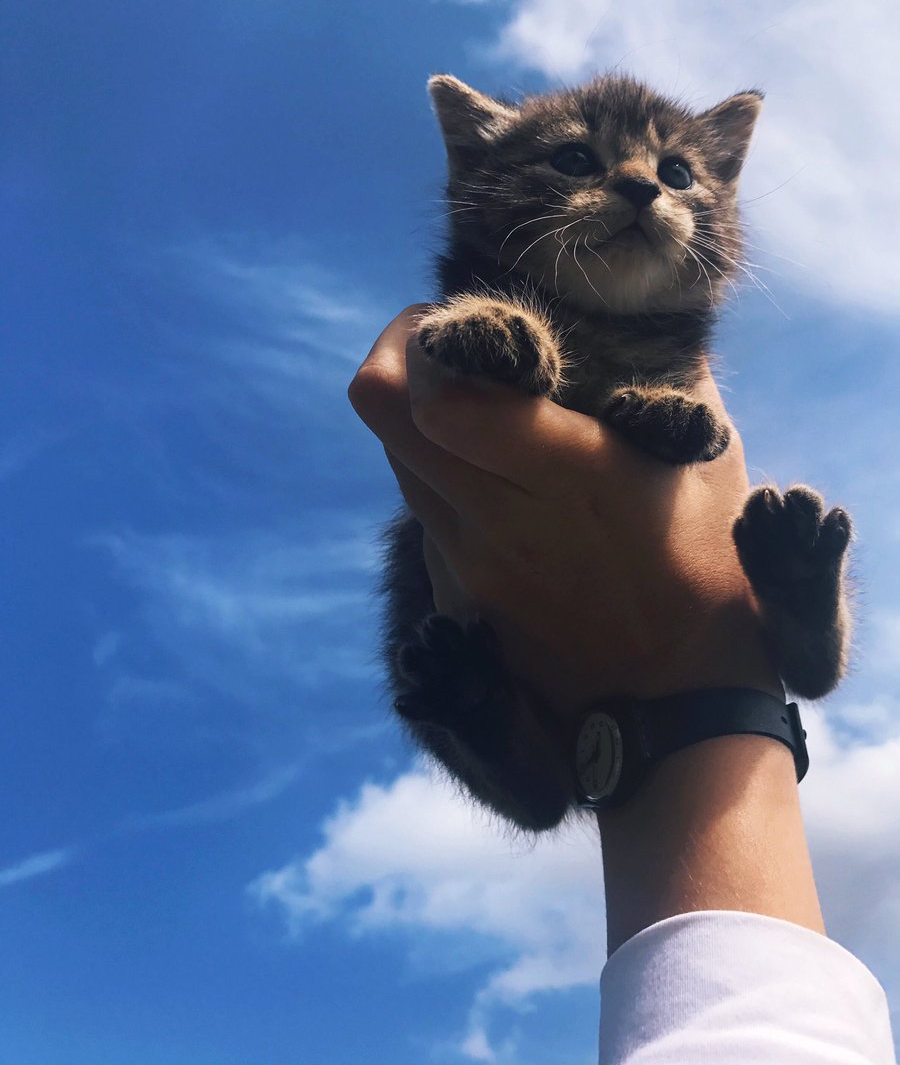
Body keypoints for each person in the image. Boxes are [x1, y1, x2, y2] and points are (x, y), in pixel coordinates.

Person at [349, 306, 896, 1064]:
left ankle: (495, 721)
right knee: (487, 726)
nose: (637, 189)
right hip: (599, 719)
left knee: (474, 706)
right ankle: (498, 726)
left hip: (532, 700)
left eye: (677, 175)